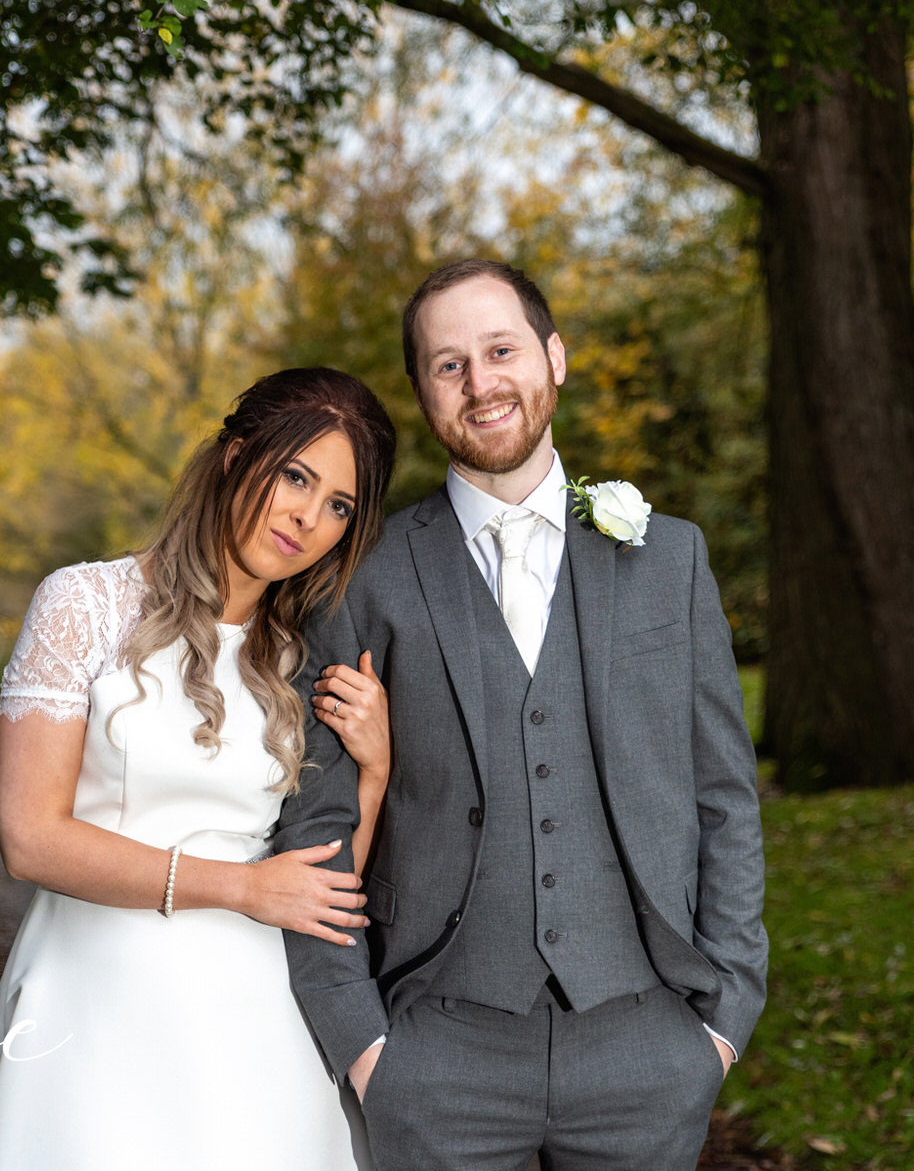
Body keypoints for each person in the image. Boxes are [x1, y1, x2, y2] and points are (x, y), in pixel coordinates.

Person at [276, 259, 769, 1170]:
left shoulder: (670, 559)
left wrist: (725, 1018)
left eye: (500, 350)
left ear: (553, 357)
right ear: (423, 390)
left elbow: (724, 796)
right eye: (448, 363)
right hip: (435, 1054)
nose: (481, 382)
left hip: (647, 1048)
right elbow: (319, 821)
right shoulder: (364, 574)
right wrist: (364, 1044)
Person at [0, 366, 399, 1171]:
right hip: (94, 1007)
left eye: (340, 504)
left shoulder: (302, 659)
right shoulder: (83, 604)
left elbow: (319, 894)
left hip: (259, 1030)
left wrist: (372, 773)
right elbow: (29, 838)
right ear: (235, 456)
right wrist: (239, 887)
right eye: (296, 475)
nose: (309, 515)